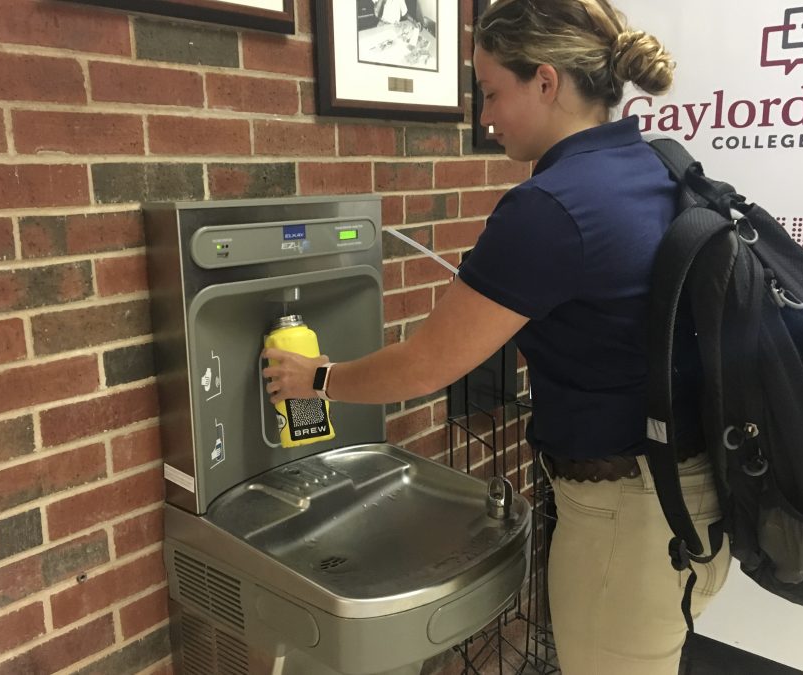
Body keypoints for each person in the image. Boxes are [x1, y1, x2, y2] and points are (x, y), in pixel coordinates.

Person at [263, 1, 731, 673]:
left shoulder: (553, 206)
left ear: (545, 82)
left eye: (490, 91)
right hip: (697, 502)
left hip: (627, 525)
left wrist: (314, 381)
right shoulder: (657, 167)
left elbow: (426, 365)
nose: (484, 116)